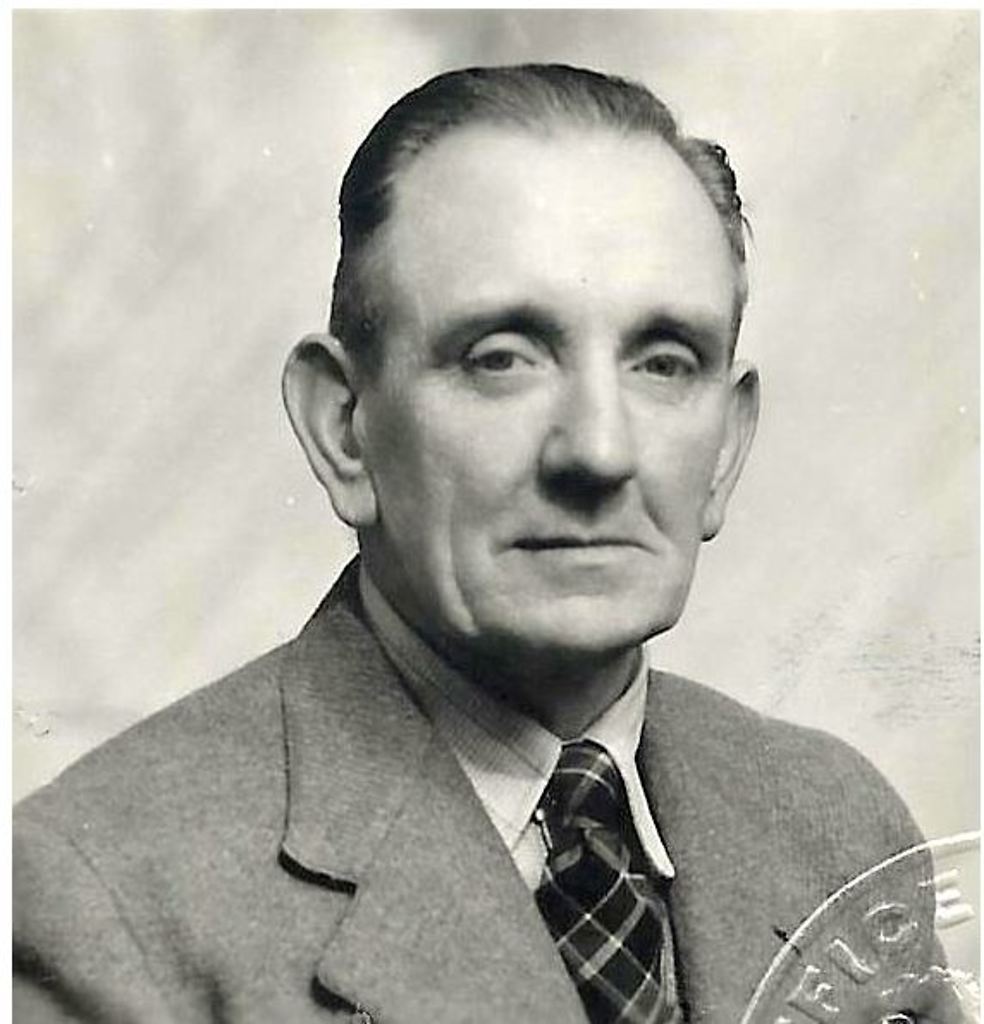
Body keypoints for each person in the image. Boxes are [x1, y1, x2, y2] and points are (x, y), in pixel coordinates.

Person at [13, 64, 943, 1024]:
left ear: (726, 450)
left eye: (665, 363)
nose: (599, 450)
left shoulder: (843, 829)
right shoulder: (98, 899)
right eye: (501, 358)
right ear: (344, 430)